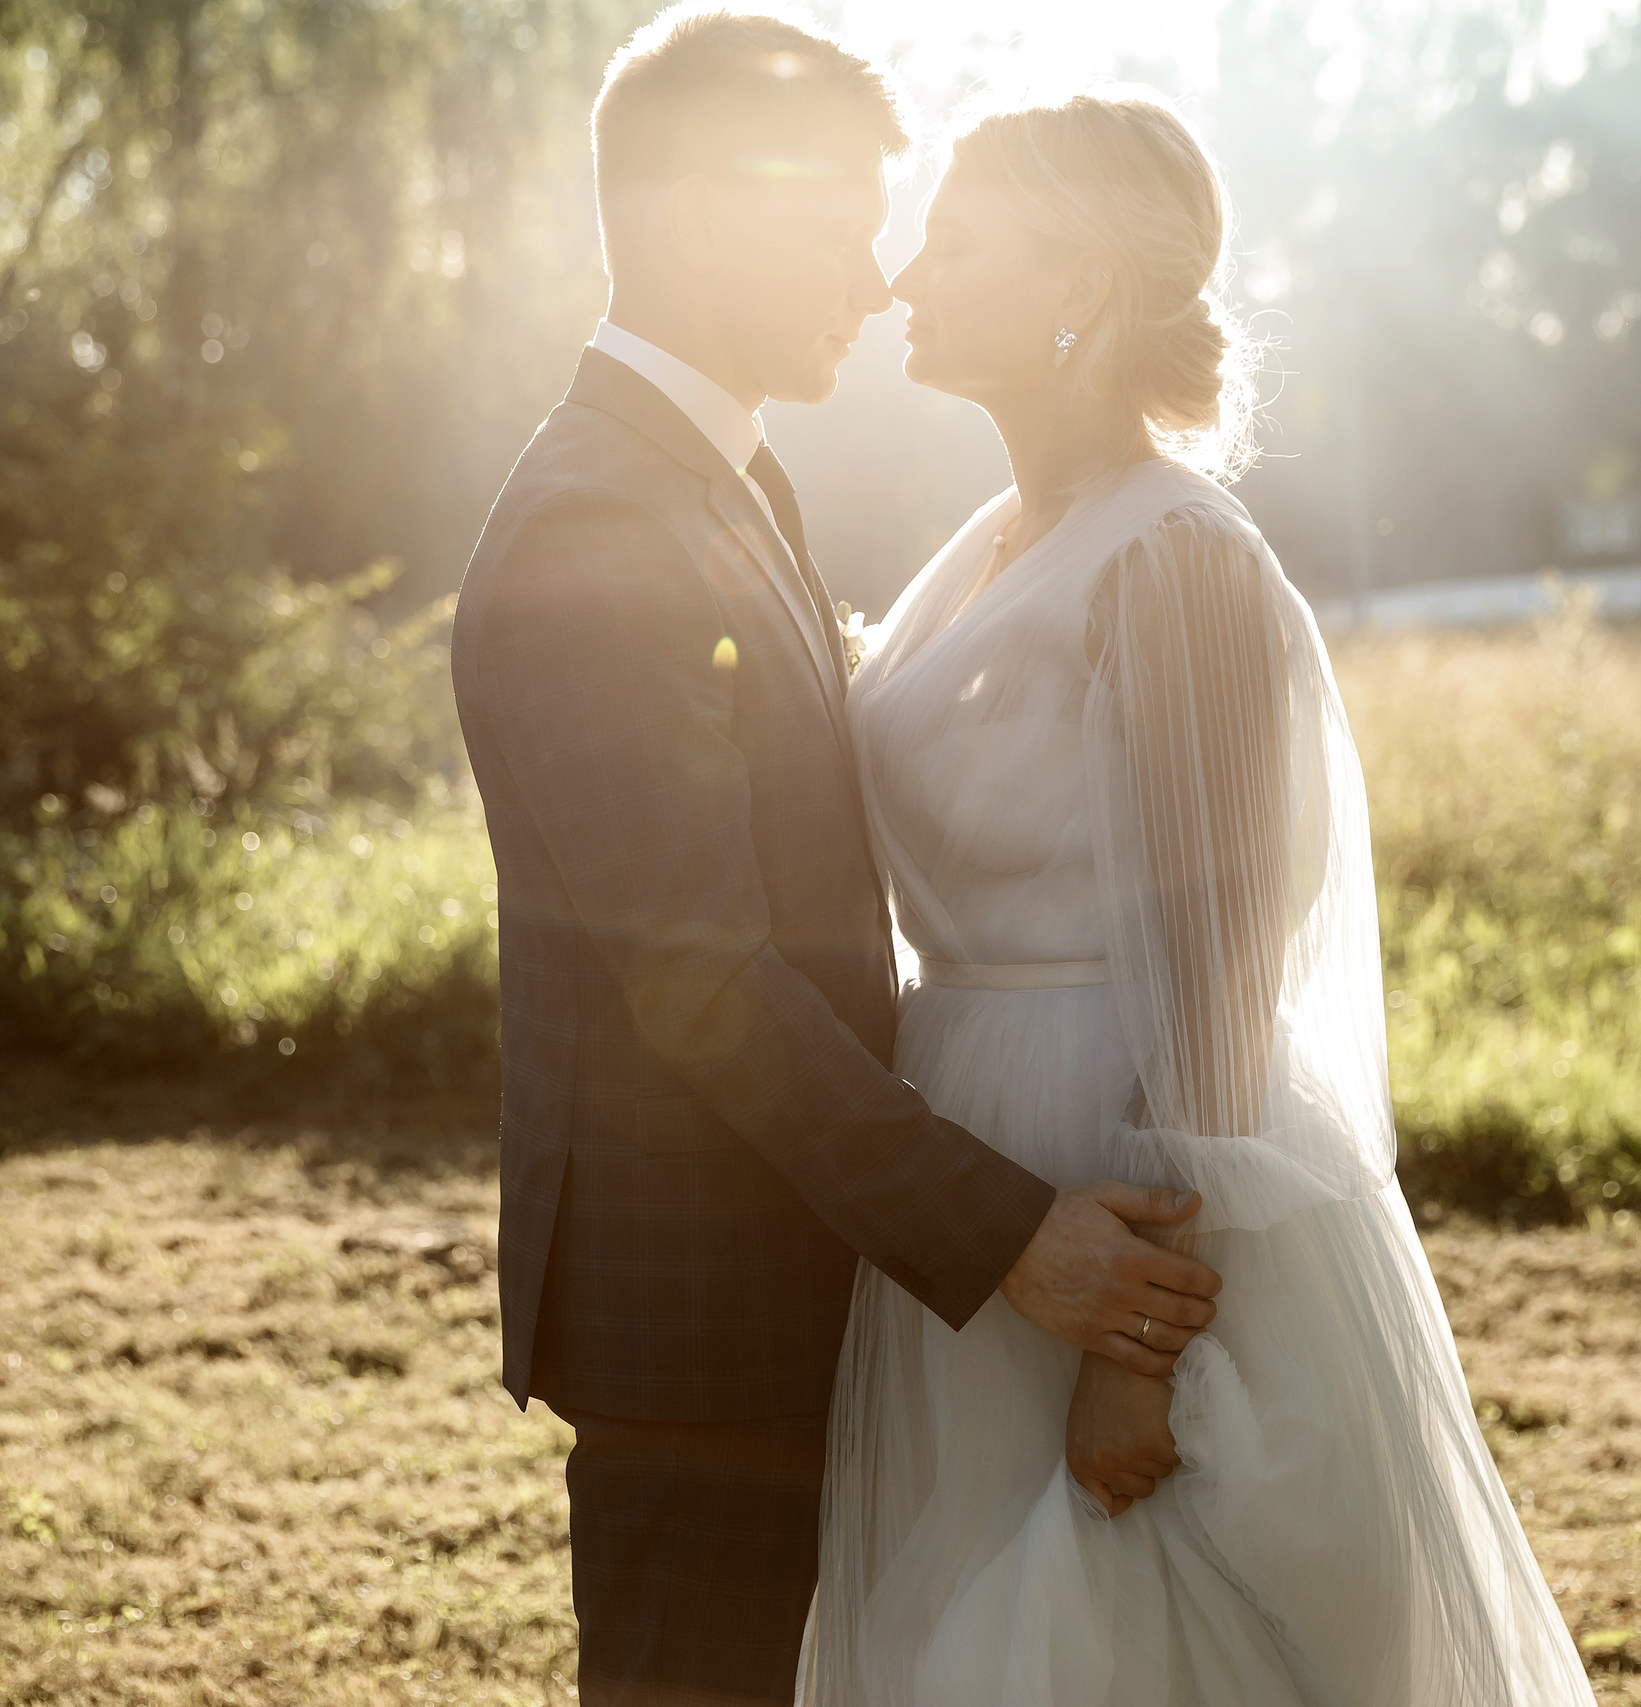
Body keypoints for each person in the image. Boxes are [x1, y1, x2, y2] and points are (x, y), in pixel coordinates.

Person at [448, 14, 1225, 1705]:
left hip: (798, 1263)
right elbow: (700, 985)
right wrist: (1012, 1234)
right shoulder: (601, 518)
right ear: (710, 217)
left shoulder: (724, 480)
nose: (876, 283)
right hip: (699, 1299)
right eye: (843, 226)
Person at [797, 92, 1599, 1704]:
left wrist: (1131, 1348)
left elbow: (1225, 973)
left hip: (1120, 1156)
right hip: (965, 1146)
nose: (901, 281)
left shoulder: (1177, 564)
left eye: (954, 245)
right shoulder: (991, 539)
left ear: (1076, 283)